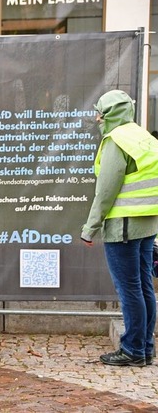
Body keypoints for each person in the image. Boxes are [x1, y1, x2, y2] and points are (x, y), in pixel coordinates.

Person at [81, 89, 158, 367]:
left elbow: (105, 192)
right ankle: (145, 347)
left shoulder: (116, 141)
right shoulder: (142, 136)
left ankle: (133, 350)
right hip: (147, 223)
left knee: (129, 289)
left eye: (99, 112)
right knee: (144, 287)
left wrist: (90, 228)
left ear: (109, 113)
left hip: (123, 226)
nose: (97, 117)